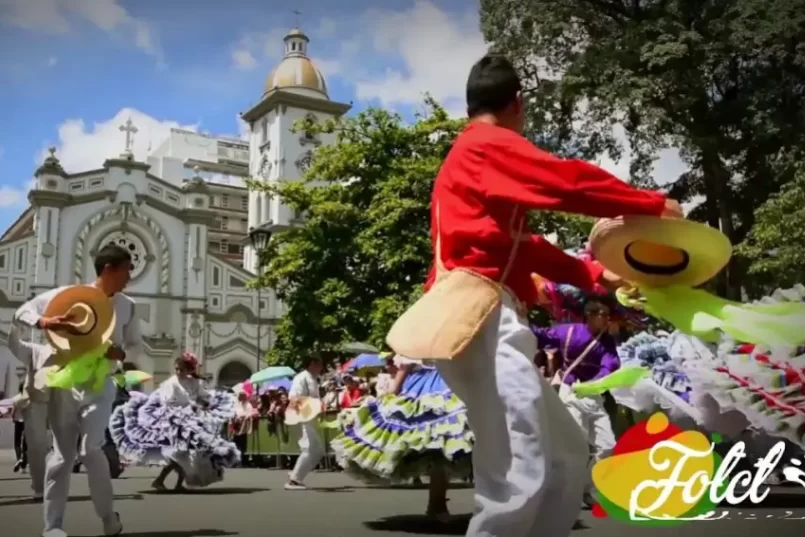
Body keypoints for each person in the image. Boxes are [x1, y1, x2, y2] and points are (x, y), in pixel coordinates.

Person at [423, 54, 681, 537]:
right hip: (482, 319)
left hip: (475, 319)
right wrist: (649, 204)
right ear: (518, 104)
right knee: (521, 461)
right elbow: (565, 181)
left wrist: (590, 274)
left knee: (562, 450)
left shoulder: (471, 162)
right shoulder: (485, 145)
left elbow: (522, 245)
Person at [12, 244, 141, 537]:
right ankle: (52, 526)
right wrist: (44, 321)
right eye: (126, 270)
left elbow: (135, 345)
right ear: (109, 269)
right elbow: (24, 311)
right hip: (66, 384)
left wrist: (119, 354)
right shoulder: (70, 296)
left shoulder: (128, 306)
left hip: (101, 385)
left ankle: (108, 516)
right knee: (62, 455)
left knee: (90, 448)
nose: (129, 277)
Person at [332, 355, 473, 520]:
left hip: (445, 382)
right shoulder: (417, 338)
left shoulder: (433, 335)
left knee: (444, 443)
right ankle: (438, 504)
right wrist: (393, 391)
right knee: (438, 444)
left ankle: (439, 504)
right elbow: (405, 365)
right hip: (427, 386)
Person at [531, 296, 620, 507]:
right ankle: (565, 491)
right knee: (576, 444)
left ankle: (583, 487)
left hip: (594, 394)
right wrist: (520, 319)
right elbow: (543, 337)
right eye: (603, 315)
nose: (607, 319)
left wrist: (596, 382)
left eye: (608, 315)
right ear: (589, 315)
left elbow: (611, 364)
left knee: (609, 446)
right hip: (570, 392)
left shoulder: (606, 340)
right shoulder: (568, 331)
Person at [111, 353, 239, 492]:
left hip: (191, 420)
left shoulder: (193, 382)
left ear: (190, 370)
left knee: (187, 454)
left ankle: (174, 483)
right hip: (172, 421)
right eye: (177, 369)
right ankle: (161, 480)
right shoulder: (171, 383)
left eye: (182, 370)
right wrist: (190, 405)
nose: (178, 372)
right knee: (179, 453)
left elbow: (202, 396)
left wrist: (204, 403)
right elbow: (167, 401)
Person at [6, 320, 54, 499]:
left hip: (60, 404)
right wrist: (17, 325)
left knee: (63, 448)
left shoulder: (71, 354)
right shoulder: (36, 351)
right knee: (36, 447)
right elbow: (13, 344)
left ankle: (54, 481)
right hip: (37, 403)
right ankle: (39, 487)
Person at [284, 356, 324, 490]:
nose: (321, 367)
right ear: (312, 363)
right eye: (320, 364)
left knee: (317, 451)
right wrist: (304, 412)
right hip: (303, 418)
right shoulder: (301, 377)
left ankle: (296, 473)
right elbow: (294, 397)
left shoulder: (312, 379)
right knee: (309, 448)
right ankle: (294, 480)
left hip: (310, 418)